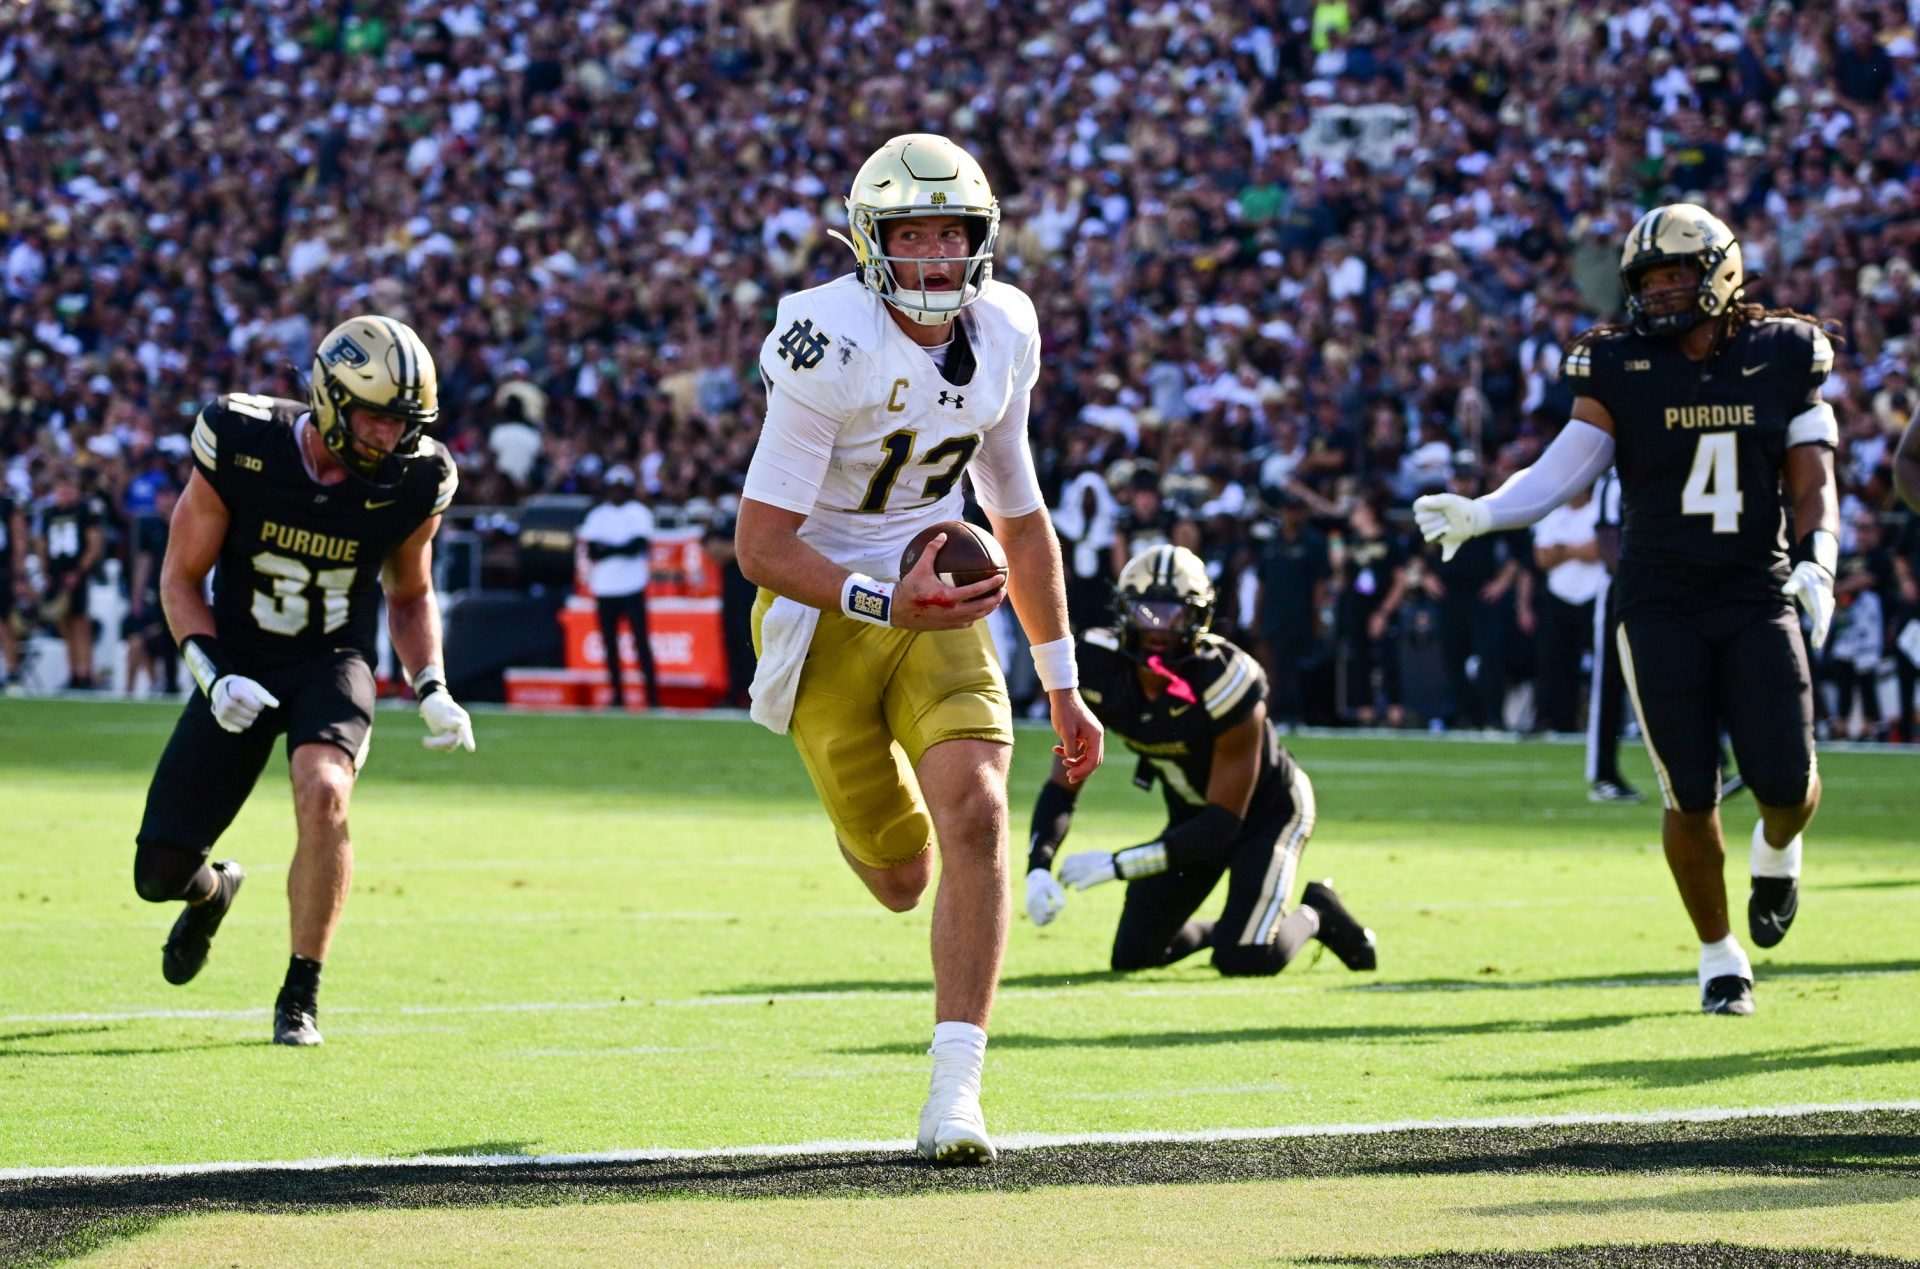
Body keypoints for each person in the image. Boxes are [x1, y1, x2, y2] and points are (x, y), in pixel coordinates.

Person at [734, 134, 1104, 1165]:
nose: (938, 256)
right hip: (824, 615)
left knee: (982, 815)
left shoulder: (1006, 330)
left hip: (936, 586)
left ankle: (957, 1095)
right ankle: (867, 827)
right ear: (871, 242)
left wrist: (1063, 685)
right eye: (913, 234)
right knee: (900, 877)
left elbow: (1022, 521)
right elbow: (761, 545)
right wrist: (879, 601)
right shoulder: (825, 337)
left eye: (953, 232)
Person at [1415, 203, 1841, 1017]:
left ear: (1720, 270)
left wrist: (1820, 563)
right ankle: (1720, 957)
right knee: (1689, 791)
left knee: (1788, 783)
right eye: (1651, 277)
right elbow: (1563, 467)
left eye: (1680, 271)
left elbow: (1812, 477)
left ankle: (1779, 852)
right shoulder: (1617, 364)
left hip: (1758, 588)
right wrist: (1488, 510)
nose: (1666, 289)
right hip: (1660, 601)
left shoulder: (1783, 352)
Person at [133, 315, 476, 1047]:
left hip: (332, 659)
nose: (391, 437)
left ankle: (301, 992)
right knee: (158, 872)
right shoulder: (241, 439)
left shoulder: (418, 477)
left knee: (325, 791)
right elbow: (180, 578)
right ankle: (213, 890)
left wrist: (432, 684)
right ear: (329, 397)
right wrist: (212, 674)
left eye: (403, 421)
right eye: (378, 417)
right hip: (241, 660)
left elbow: (409, 592)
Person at [1023, 544, 1377, 978]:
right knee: (1135, 953)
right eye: (1146, 611)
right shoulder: (1095, 665)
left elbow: (1222, 826)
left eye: (1175, 614)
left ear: (1201, 617)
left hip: (1266, 814)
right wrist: (1038, 867)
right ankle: (1231, 929)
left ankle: (1317, 913)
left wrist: (1119, 865)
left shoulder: (1224, 677)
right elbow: (1063, 783)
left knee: (1245, 957)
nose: (1159, 628)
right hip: (1193, 817)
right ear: (1122, 611)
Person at [577, 464, 659, 709]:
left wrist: (609, 549)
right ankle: (617, 693)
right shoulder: (598, 515)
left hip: (632, 586)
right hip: (605, 588)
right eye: (614, 488)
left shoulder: (639, 513)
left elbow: (638, 546)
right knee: (609, 644)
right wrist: (619, 548)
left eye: (622, 488)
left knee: (640, 642)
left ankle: (652, 695)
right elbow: (592, 550)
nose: (617, 493)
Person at [1585, 466, 1643, 802]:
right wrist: (1631, 580)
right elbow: (1607, 536)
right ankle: (1603, 773)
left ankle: (1712, 764)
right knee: (1610, 680)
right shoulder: (1616, 480)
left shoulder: (1664, 464)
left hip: (1664, 586)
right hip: (1623, 588)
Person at [34, 465, 106, 690]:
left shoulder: (85, 511)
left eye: (68, 488)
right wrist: (45, 571)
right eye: (60, 488)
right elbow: (41, 544)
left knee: (80, 623)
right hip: (56, 574)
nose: (64, 493)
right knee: (64, 624)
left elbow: (94, 545)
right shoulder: (49, 513)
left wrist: (79, 571)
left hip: (77, 573)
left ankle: (86, 673)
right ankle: (74, 671)